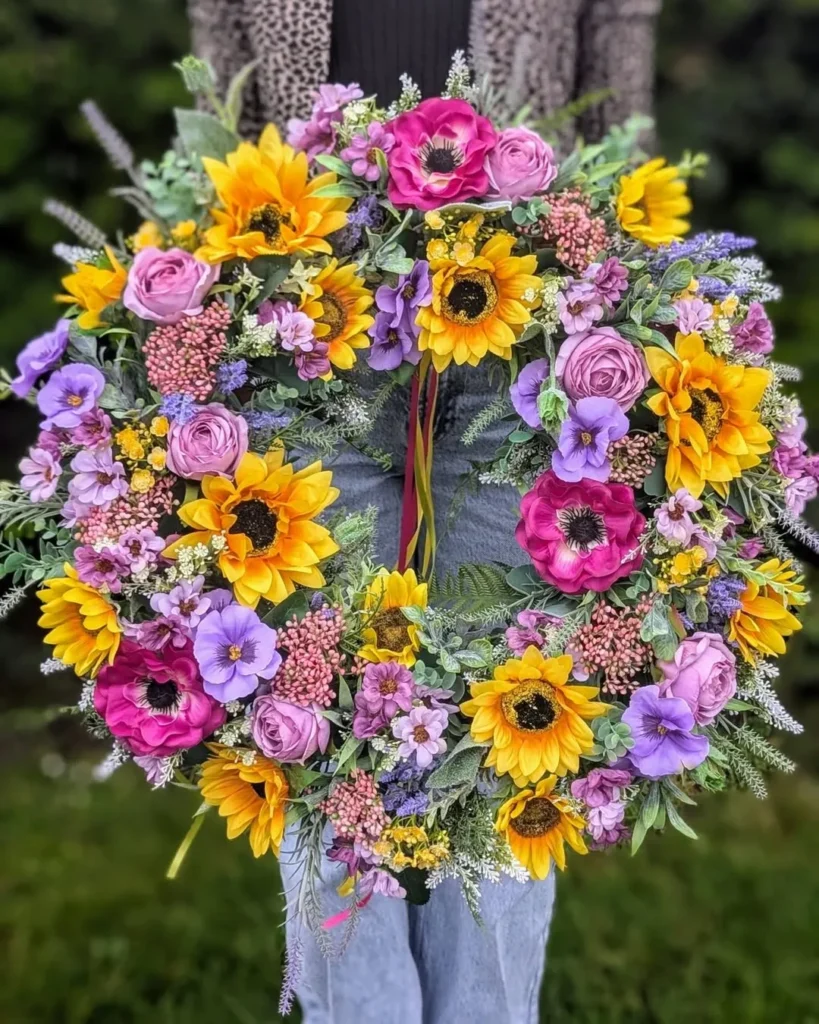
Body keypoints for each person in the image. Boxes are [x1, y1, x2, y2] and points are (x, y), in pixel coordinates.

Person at [187, 1, 661, 1019]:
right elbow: (222, 111)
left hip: (524, 327)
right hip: (308, 315)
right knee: (312, 699)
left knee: (520, 701)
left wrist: (636, 300)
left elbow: (620, 86)